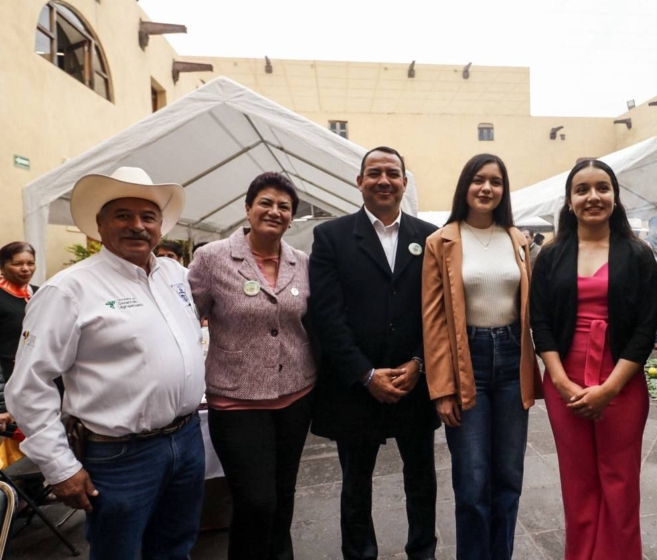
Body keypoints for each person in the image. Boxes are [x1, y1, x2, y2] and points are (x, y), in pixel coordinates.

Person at [6, 167, 206, 560]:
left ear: (160, 227)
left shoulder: (175, 275)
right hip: (120, 457)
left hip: (186, 439)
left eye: (147, 217)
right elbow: (28, 386)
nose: (137, 226)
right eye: (123, 216)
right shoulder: (69, 289)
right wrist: (59, 466)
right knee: (118, 553)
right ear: (99, 224)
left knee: (175, 548)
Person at [309, 146, 439, 560]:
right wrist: (365, 375)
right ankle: (360, 554)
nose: (384, 180)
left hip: (413, 382)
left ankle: (423, 551)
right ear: (359, 181)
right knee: (355, 484)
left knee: (421, 479)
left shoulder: (431, 237)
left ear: (404, 181)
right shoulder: (330, 237)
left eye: (393, 173)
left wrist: (419, 362)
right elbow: (326, 316)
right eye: (374, 172)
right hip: (355, 386)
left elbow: (439, 312)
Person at [530, 159, 657, 560]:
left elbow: (645, 326)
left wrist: (610, 388)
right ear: (569, 201)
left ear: (615, 196)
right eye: (582, 189)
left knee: (620, 482)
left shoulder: (638, 254)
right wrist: (561, 381)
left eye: (602, 188)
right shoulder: (551, 255)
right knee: (578, 480)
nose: (593, 197)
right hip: (563, 376)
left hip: (621, 378)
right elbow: (540, 322)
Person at [188, 171, 316, 560]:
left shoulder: (303, 262)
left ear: (292, 217)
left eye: (284, 206)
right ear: (248, 208)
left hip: (296, 396)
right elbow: (183, 316)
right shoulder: (212, 258)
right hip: (238, 401)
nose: (274, 211)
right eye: (266, 202)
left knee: (284, 495)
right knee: (255, 500)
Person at [422, 154, 541, 559]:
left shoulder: (519, 240)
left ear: (504, 190)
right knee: (471, 482)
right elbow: (434, 320)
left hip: (511, 359)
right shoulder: (442, 241)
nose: (487, 188)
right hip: (465, 359)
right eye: (478, 180)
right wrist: (441, 388)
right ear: (465, 186)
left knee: (509, 477)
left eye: (496, 181)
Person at [0, 242, 37, 381]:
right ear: (2, 268)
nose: (26, 269)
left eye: (30, 263)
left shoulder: (41, 293)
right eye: (17, 264)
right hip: (8, 374)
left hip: (38, 370)